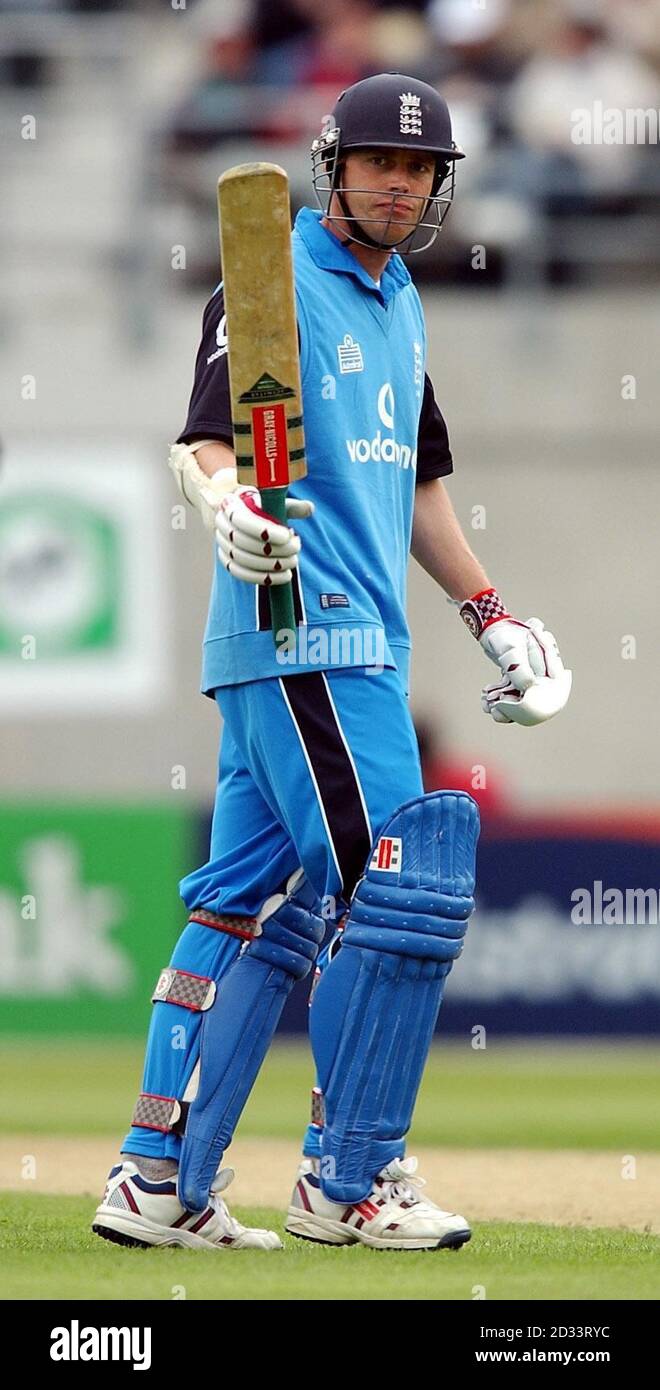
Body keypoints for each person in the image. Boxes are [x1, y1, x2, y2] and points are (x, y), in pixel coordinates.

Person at [92, 72, 570, 1253]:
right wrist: (224, 506)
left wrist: (492, 613)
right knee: (396, 894)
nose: (401, 184)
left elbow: (415, 483)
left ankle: (159, 1177)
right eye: (379, 164)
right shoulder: (273, 281)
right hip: (307, 625)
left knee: (250, 905)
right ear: (334, 167)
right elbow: (208, 438)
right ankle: (351, 1178)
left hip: (344, 646)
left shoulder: (398, 298)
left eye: (421, 169)